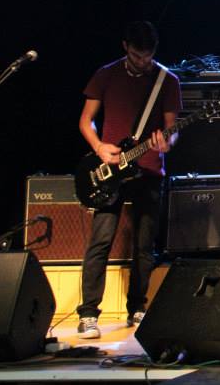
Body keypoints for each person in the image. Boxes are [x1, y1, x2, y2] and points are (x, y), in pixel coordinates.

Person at [76, 21, 182, 339]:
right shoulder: (106, 74)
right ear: (125, 47)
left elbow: (171, 130)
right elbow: (85, 121)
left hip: (148, 170)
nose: (143, 62)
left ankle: (137, 306)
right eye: (137, 55)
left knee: (144, 244)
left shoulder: (167, 80)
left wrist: (166, 143)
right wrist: (99, 147)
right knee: (100, 241)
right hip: (110, 169)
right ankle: (88, 313)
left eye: (148, 56)